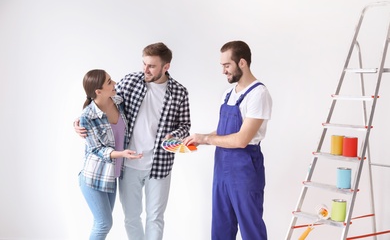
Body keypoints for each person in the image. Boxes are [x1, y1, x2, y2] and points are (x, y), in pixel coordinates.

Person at [75, 42, 191, 240]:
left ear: (166, 67)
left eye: (152, 66)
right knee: (131, 217)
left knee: (155, 217)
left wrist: (175, 135)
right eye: (144, 63)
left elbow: (185, 124)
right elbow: (101, 101)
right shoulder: (130, 82)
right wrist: (79, 120)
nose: (145, 69)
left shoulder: (179, 92)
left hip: (160, 164)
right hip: (128, 164)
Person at [183, 40, 272, 240]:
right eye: (222, 66)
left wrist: (207, 138)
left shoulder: (258, 94)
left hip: (245, 168)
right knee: (221, 226)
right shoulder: (228, 94)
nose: (223, 71)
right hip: (222, 166)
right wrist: (200, 139)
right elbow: (224, 131)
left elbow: (242, 139)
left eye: (227, 65)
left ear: (242, 63)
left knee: (251, 228)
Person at [78, 69, 143, 240]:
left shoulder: (118, 101)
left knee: (104, 223)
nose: (114, 83)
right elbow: (96, 150)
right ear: (98, 91)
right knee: (103, 224)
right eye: (109, 82)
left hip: (111, 176)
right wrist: (122, 153)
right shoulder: (87, 116)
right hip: (93, 177)